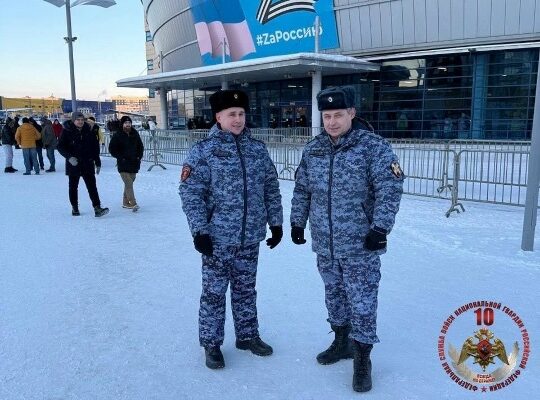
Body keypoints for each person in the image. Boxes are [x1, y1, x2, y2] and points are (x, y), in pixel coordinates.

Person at [290, 86, 404, 393]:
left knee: (362, 301)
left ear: (351, 113)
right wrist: (298, 221)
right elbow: (302, 188)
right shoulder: (313, 149)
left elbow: (390, 189)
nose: (332, 122)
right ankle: (341, 341)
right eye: (327, 116)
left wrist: (380, 228)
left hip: (360, 243)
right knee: (334, 294)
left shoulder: (373, 147)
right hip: (325, 243)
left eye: (338, 115)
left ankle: (362, 359)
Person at [179, 89, 283, 370]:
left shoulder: (257, 150)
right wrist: (199, 231)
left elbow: (270, 188)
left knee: (246, 289)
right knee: (214, 293)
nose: (237, 119)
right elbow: (191, 193)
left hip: (250, 236)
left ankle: (247, 336)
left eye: (241, 114)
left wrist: (275, 223)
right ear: (218, 117)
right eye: (231, 114)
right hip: (217, 239)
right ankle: (211, 344)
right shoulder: (204, 151)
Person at [57, 112, 109, 217]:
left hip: (87, 162)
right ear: (73, 120)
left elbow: (95, 147)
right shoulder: (67, 131)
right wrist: (69, 157)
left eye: (82, 120)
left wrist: (97, 161)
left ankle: (97, 208)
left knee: (92, 187)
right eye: (78, 120)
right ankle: (75, 207)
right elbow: (60, 146)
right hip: (74, 163)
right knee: (73, 187)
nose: (80, 122)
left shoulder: (89, 130)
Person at [108, 116, 144, 211]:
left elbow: (140, 146)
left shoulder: (135, 134)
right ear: (122, 124)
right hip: (123, 163)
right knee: (128, 182)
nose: (128, 125)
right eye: (125, 123)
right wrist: (121, 157)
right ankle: (133, 203)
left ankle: (125, 202)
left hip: (134, 163)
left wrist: (139, 157)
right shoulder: (118, 135)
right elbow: (112, 149)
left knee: (129, 183)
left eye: (129, 123)